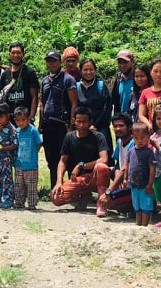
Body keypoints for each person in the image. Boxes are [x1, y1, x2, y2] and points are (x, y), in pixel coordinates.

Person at [50, 106, 110, 216]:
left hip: (94, 177)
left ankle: (101, 202)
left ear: (90, 122)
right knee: (56, 198)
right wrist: (58, 182)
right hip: (77, 179)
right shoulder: (69, 137)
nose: (82, 125)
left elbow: (104, 159)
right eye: (79, 121)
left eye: (85, 122)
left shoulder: (98, 136)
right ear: (74, 121)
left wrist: (81, 166)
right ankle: (83, 195)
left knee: (102, 167)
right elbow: (62, 161)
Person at [40, 50, 78, 187]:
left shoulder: (68, 79)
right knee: (51, 158)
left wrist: (72, 123)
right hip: (48, 124)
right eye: (49, 61)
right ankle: (54, 187)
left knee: (66, 157)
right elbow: (42, 102)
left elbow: (74, 102)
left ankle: (70, 188)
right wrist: (41, 123)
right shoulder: (45, 80)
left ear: (60, 62)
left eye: (54, 60)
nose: (52, 63)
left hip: (63, 125)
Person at [123, 121, 157, 226]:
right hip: (133, 184)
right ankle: (138, 225)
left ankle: (144, 226)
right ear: (133, 137)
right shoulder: (131, 151)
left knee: (146, 207)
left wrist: (150, 184)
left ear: (148, 137)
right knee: (136, 207)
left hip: (144, 185)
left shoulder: (149, 153)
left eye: (143, 138)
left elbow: (152, 168)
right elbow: (127, 164)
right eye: (136, 138)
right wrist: (125, 178)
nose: (140, 141)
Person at [76, 58, 113, 153]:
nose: (88, 72)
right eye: (85, 70)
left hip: (100, 128)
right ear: (81, 71)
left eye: (91, 69)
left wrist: (95, 125)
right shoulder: (76, 87)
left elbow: (106, 108)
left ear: (95, 70)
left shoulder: (101, 86)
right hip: (81, 127)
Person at [0, 42, 39, 124]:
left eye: (18, 52)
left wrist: (31, 117)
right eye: (13, 53)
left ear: (23, 54)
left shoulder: (29, 72)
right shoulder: (5, 74)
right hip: (9, 120)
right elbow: (1, 98)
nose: (16, 55)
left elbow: (34, 97)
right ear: (9, 54)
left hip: (25, 119)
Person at [13, 106, 42, 210]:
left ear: (28, 119)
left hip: (31, 165)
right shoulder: (17, 131)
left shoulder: (33, 130)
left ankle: (32, 204)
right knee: (19, 185)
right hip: (19, 164)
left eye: (23, 120)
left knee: (31, 186)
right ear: (15, 120)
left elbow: (39, 143)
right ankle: (19, 202)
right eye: (18, 121)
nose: (21, 123)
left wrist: (33, 153)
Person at [108, 113, 135, 213]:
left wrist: (109, 191)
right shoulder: (119, 142)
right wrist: (117, 177)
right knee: (106, 169)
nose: (118, 129)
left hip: (134, 182)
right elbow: (118, 164)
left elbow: (125, 169)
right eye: (115, 126)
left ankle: (134, 207)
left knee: (109, 202)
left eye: (121, 126)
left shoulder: (134, 144)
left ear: (129, 127)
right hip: (123, 179)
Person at [111, 49, 135, 117]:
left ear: (133, 62)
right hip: (122, 121)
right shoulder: (119, 79)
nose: (122, 65)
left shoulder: (138, 78)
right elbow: (115, 101)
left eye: (125, 62)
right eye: (120, 62)